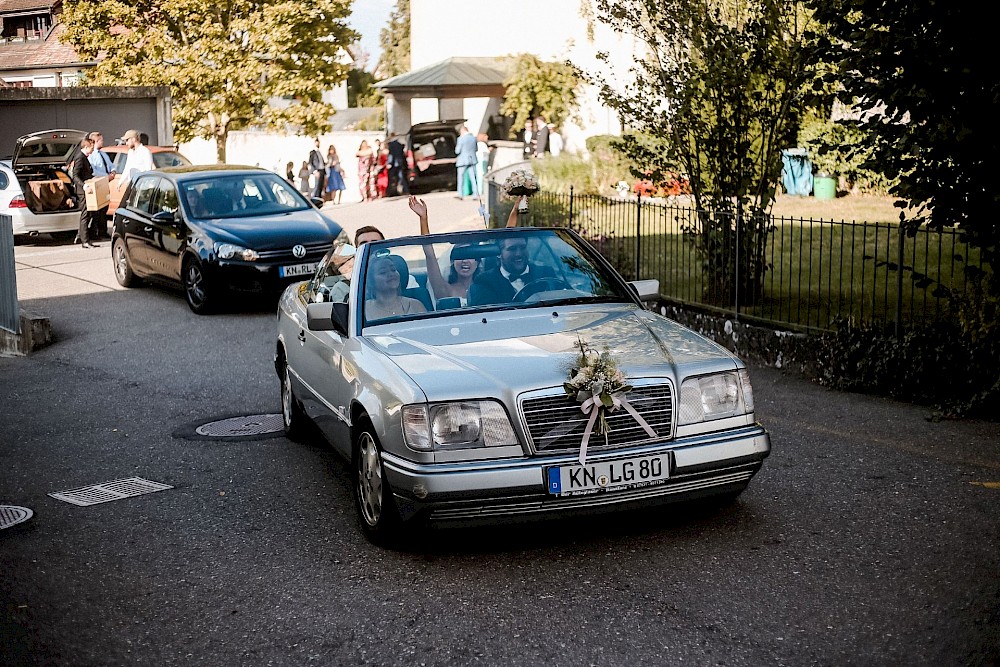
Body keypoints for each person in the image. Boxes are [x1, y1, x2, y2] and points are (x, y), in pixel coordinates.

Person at [409, 196, 479, 306]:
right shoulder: (445, 290)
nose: (465, 261)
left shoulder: (488, 287)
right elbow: (430, 255)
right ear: (451, 261)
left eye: (469, 255)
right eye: (460, 255)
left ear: (478, 261)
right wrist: (423, 219)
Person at [468, 235, 556, 305]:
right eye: (512, 249)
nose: (518, 254)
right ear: (499, 254)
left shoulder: (546, 274)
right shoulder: (484, 282)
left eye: (523, 247)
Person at [364, 254, 427, 321]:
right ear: (371, 281)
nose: (391, 274)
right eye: (383, 272)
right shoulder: (363, 310)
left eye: (393, 270)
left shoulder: (416, 305)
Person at [69, 137, 99, 248]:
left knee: (89, 213)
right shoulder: (80, 157)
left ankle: (82, 237)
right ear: (86, 147)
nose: (92, 150)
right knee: (85, 214)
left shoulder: (84, 157)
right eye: (91, 148)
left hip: (87, 188)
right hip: (83, 190)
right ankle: (85, 241)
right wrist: (85, 185)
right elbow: (75, 176)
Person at [86, 130, 116, 240]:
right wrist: (105, 177)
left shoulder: (103, 154)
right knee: (96, 210)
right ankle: (94, 232)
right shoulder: (91, 156)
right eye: (101, 140)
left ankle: (103, 231)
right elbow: (92, 170)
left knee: (104, 207)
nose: (102, 142)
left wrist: (113, 172)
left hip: (105, 184)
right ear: (95, 141)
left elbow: (111, 165)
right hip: (97, 183)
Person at [454, 125, 478, 199]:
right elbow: (476, 149)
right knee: (473, 178)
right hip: (472, 159)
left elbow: (457, 151)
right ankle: (475, 194)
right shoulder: (473, 138)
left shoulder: (460, 139)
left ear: (462, 131)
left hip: (462, 160)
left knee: (461, 178)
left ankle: (460, 194)